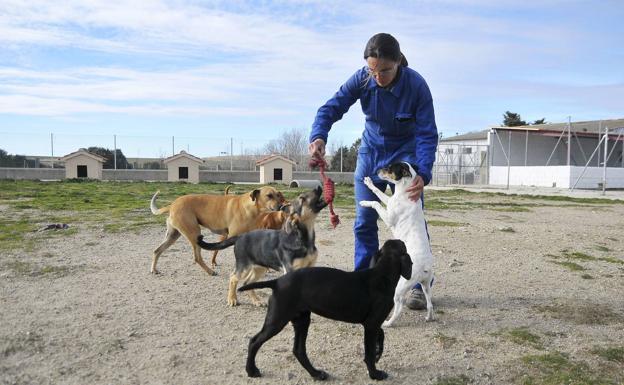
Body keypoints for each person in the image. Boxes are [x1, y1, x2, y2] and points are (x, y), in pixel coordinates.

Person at [308, 33, 438, 310]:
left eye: (385, 71)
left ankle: (415, 284)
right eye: (372, 70)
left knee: (412, 224)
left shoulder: (417, 86)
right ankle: (364, 281)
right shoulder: (362, 78)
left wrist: (423, 173)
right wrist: (319, 136)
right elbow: (331, 108)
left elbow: (427, 134)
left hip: (407, 156)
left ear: (399, 63)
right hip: (372, 154)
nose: (377, 77)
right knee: (364, 221)